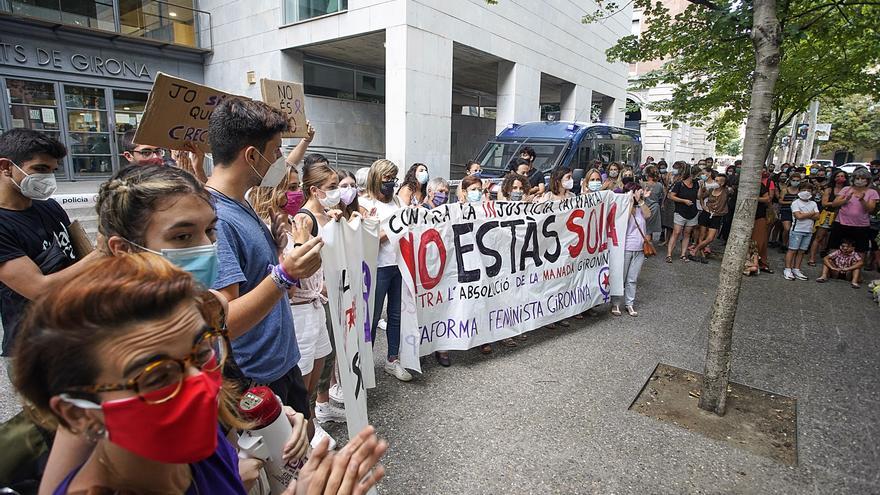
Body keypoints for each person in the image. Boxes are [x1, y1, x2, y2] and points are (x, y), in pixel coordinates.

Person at [13, 254, 387, 494]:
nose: (201, 387)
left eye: (204, 349)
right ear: (79, 413)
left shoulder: (193, 442)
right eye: (157, 377)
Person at [204, 98, 324, 417]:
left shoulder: (239, 204)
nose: (280, 161)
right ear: (252, 156)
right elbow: (223, 321)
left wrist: (275, 247)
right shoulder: (213, 219)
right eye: (276, 152)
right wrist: (284, 274)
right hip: (254, 378)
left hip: (280, 363)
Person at [0, 129, 102, 357]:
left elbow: (76, 257)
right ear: (6, 167)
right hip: (34, 348)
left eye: (53, 171)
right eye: (40, 169)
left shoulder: (48, 206)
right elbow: (38, 287)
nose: (48, 179)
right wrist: (102, 253)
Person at [360, 159, 412, 381]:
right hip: (377, 267)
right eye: (387, 178)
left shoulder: (398, 202)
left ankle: (393, 359)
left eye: (393, 178)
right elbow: (366, 240)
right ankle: (363, 364)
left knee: (396, 315)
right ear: (376, 178)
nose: (391, 183)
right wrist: (393, 228)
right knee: (371, 318)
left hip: (398, 265)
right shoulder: (363, 203)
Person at [612, 182, 652, 317]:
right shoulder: (624, 207)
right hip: (626, 247)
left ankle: (630, 303)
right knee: (621, 277)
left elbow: (648, 215)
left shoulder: (641, 206)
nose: (639, 193)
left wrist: (640, 200)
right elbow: (623, 221)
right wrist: (629, 201)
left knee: (632, 279)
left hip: (640, 248)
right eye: (637, 191)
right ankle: (616, 303)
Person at [827, 167, 879, 259]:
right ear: (853, 179)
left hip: (861, 225)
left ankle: (855, 271)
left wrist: (862, 200)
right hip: (841, 222)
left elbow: (871, 209)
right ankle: (832, 270)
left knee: (860, 250)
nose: (860, 181)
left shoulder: (872, 192)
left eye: (863, 179)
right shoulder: (846, 189)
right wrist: (845, 199)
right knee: (834, 246)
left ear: (868, 180)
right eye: (857, 178)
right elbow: (834, 204)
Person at [808, 169, 847, 266]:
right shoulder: (829, 189)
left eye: (842, 176)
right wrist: (837, 203)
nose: (840, 178)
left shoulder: (848, 190)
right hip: (828, 214)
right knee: (819, 237)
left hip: (842, 215)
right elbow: (824, 203)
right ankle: (812, 258)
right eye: (838, 176)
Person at [784, 182, 819, 281]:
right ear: (799, 191)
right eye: (804, 190)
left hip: (808, 231)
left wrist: (805, 214)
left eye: (809, 190)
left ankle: (797, 269)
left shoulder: (813, 203)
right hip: (797, 230)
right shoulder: (796, 203)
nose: (806, 192)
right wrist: (811, 213)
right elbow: (798, 216)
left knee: (802, 251)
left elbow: (817, 216)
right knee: (792, 250)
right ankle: (787, 269)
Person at [665, 161, 699, 263]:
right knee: (676, 232)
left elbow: (698, 196)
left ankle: (683, 254)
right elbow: (671, 196)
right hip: (680, 211)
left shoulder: (697, 184)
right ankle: (669, 254)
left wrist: (703, 189)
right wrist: (683, 201)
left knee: (687, 233)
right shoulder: (680, 184)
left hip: (692, 212)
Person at [691, 172, 728, 263]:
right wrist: (703, 205)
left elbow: (731, 191)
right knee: (702, 235)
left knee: (710, 238)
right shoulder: (711, 190)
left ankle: (695, 250)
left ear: (722, 183)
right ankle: (702, 255)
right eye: (715, 180)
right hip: (706, 214)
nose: (715, 182)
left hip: (716, 216)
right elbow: (700, 196)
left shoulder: (726, 191)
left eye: (717, 181)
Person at [751, 168, 776, 273]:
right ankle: (751, 263)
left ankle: (760, 263)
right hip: (745, 216)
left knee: (760, 241)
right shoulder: (742, 185)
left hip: (759, 215)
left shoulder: (760, 186)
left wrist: (754, 198)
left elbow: (767, 199)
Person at [777, 172, 802, 252]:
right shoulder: (785, 190)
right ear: (790, 180)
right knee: (787, 228)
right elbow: (780, 201)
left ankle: (790, 245)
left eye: (797, 180)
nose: (795, 182)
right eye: (794, 180)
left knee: (793, 230)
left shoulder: (800, 191)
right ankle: (784, 244)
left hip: (797, 212)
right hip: (786, 211)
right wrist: (791, 202)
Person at [641, 165, 664, 242]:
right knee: (650, 228)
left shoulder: (643, 184)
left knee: (644, 227)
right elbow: (662, 196)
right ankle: (649, 244)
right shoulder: (659, 185)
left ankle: (646, 245)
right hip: (655, 207)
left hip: (644, 207)